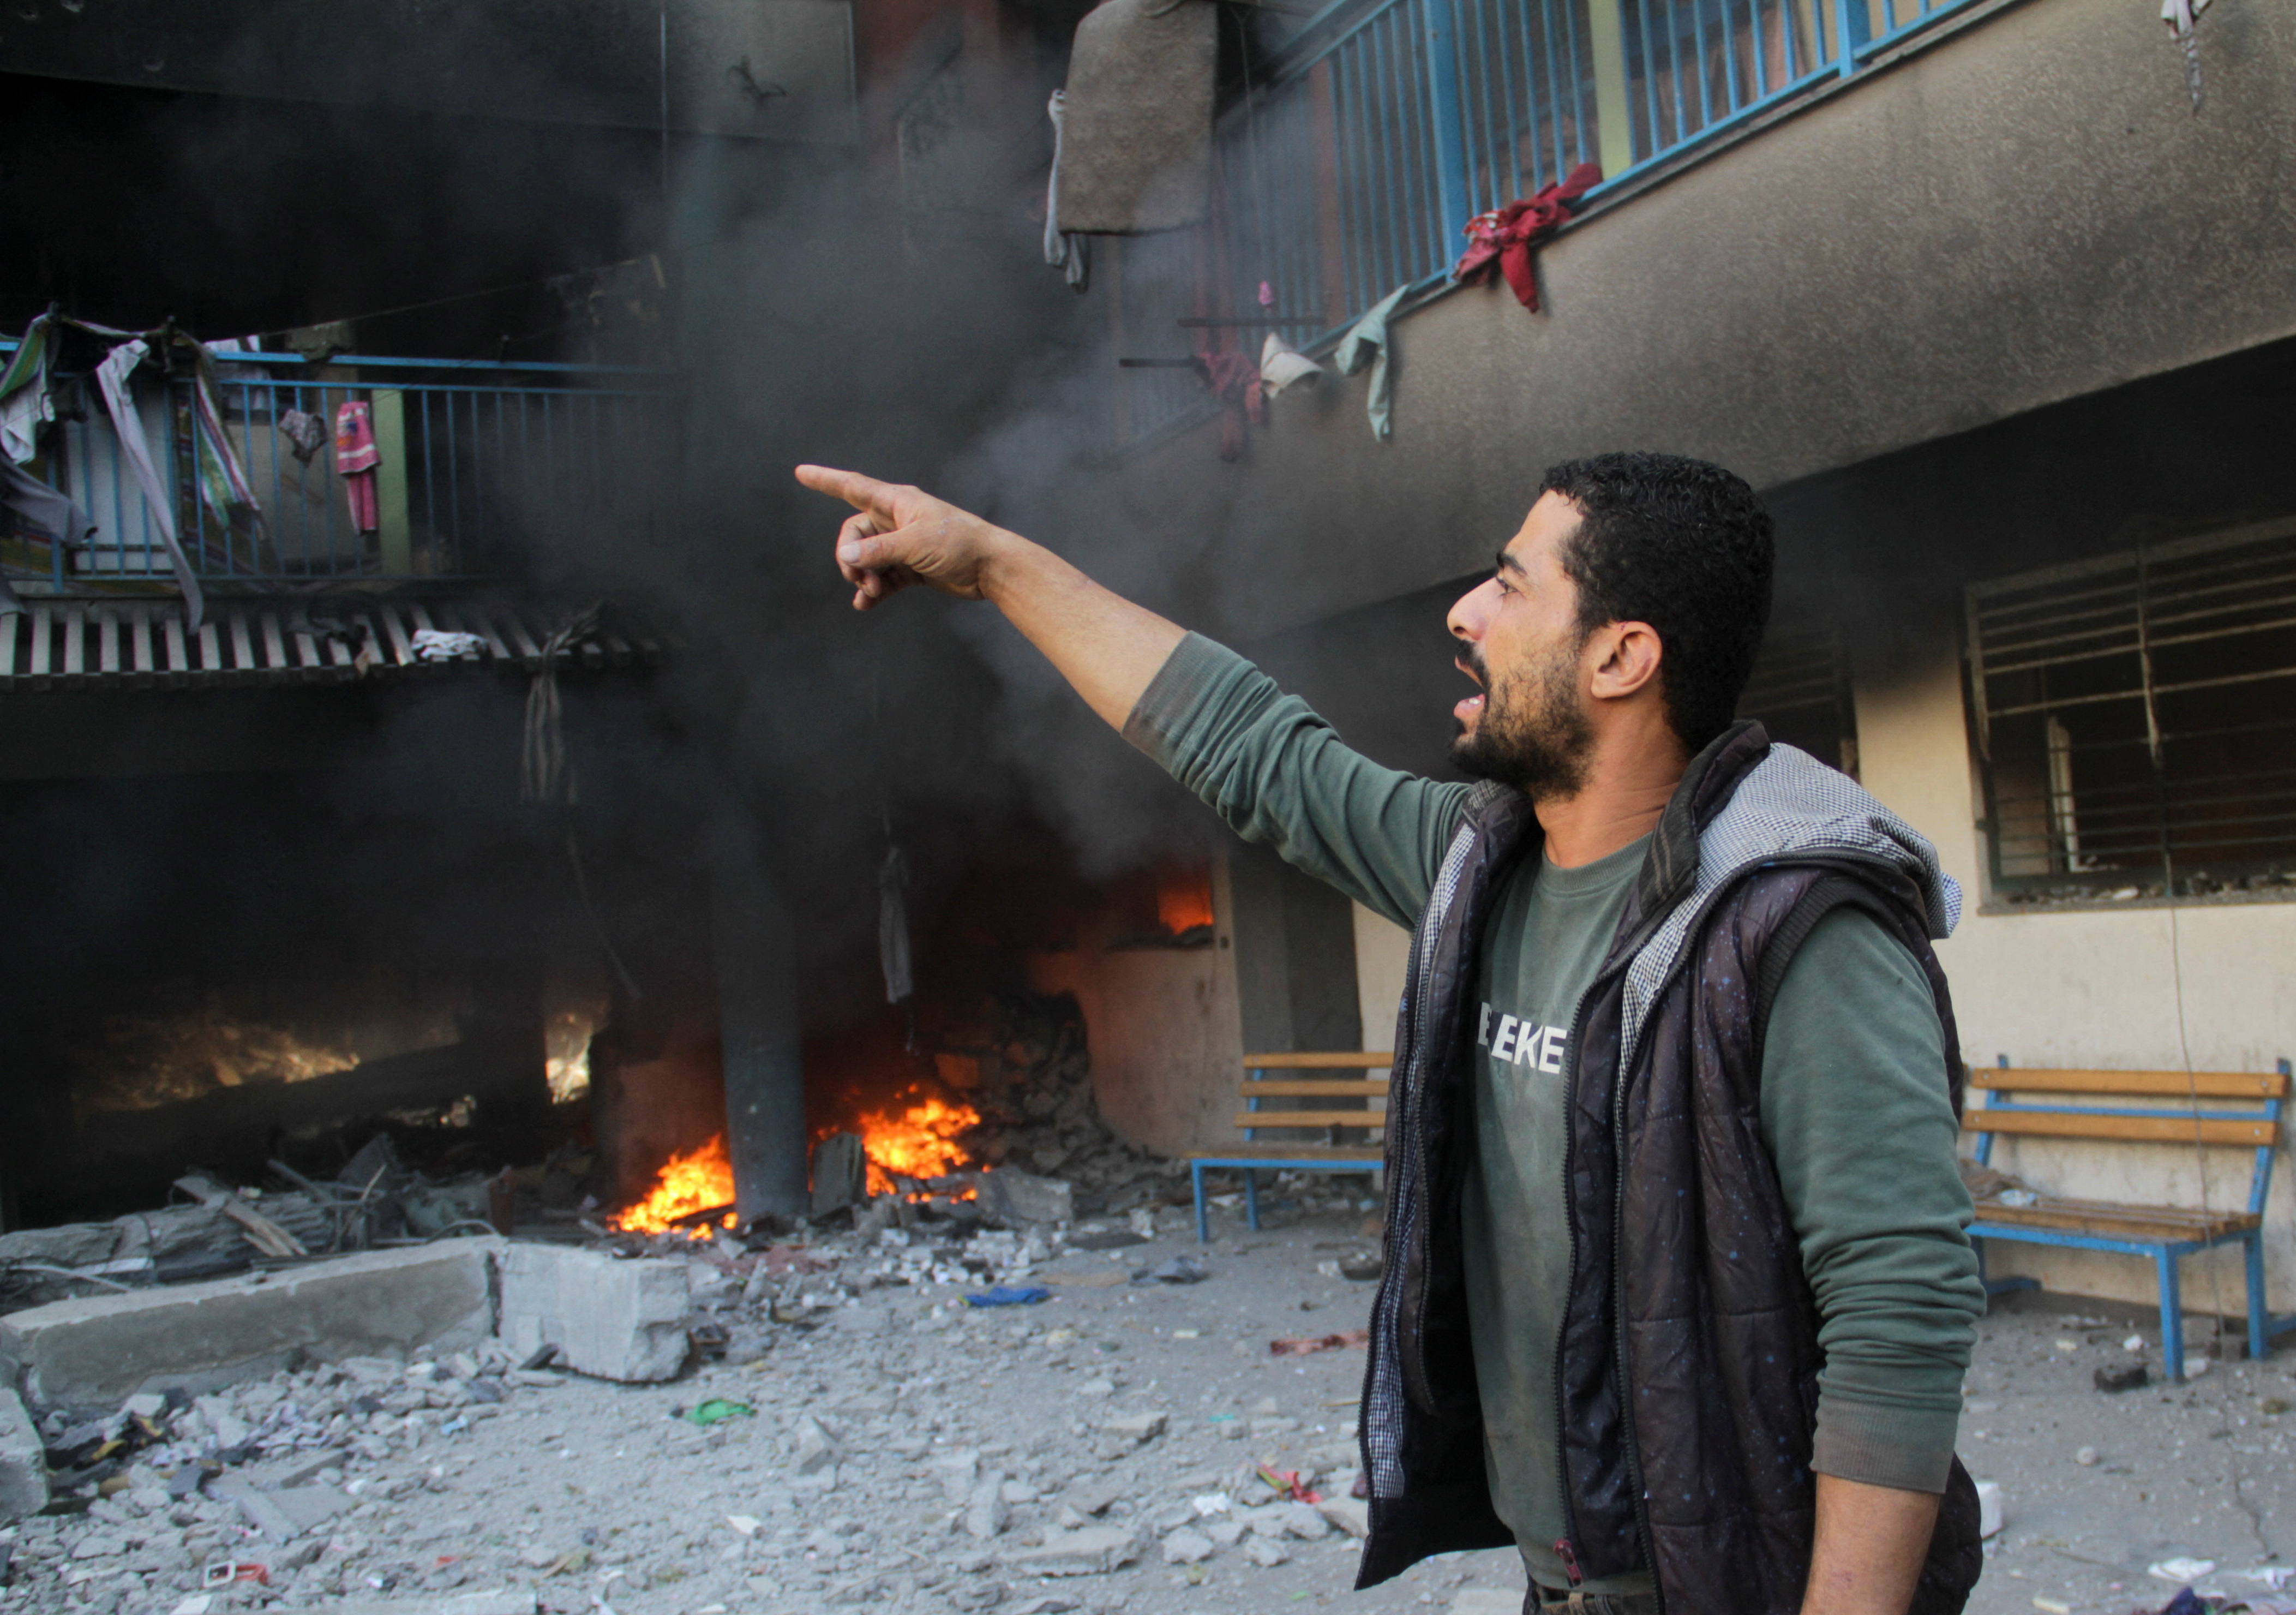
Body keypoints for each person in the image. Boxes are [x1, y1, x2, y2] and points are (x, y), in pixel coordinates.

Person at [794, 453, 1985, 1615]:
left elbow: (1902, 1308)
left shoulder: (1792, 931)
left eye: (1511, 585)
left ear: (1622, 656)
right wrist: (995, 564)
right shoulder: (1481, 861)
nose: (1465, 613)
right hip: (1570, 1578)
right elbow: (1250, 747)